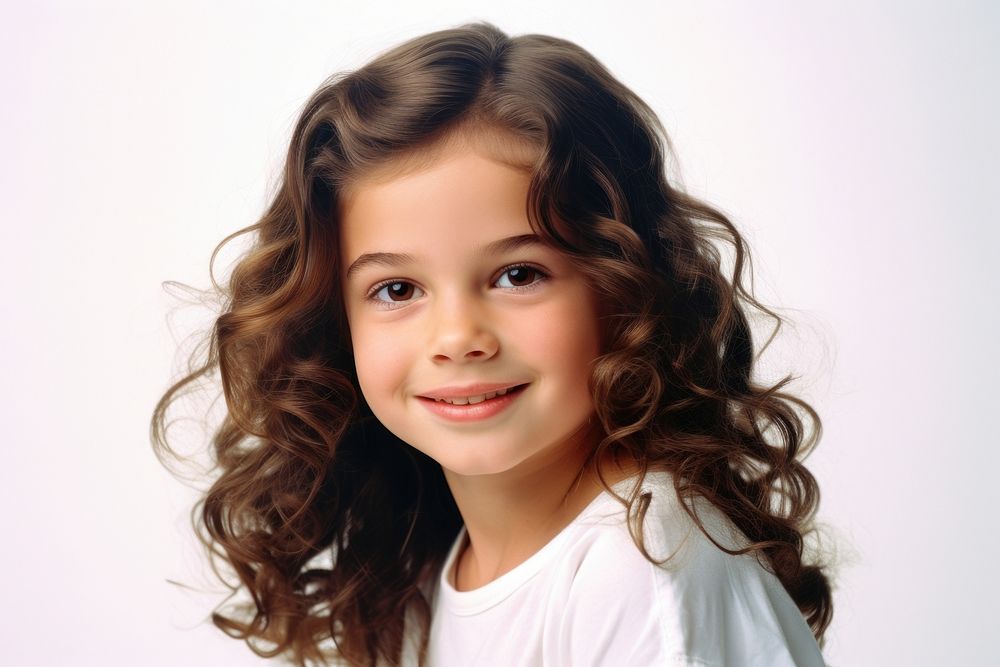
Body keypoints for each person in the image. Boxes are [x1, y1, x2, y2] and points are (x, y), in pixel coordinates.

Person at [152, 21, 833, 667]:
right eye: (396, 289)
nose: (457, 337)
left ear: (624, 288)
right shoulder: (422, 571)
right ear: (335, 323)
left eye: (518, 274)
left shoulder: (638, 562)